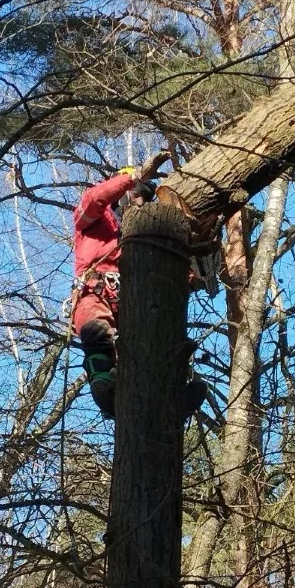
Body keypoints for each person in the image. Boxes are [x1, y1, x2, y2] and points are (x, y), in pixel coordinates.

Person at [70, 152, 207, 419]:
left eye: (145, 193)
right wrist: (132, 177)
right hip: (96, 292)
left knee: (156, 338)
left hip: (134, 300)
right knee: (97, 331)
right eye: (136, 192)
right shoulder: (94, 221)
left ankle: (173, 389)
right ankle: (104, 385)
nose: (141, 199)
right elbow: (92, 200)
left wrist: (188, 277)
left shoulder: (144, 234)